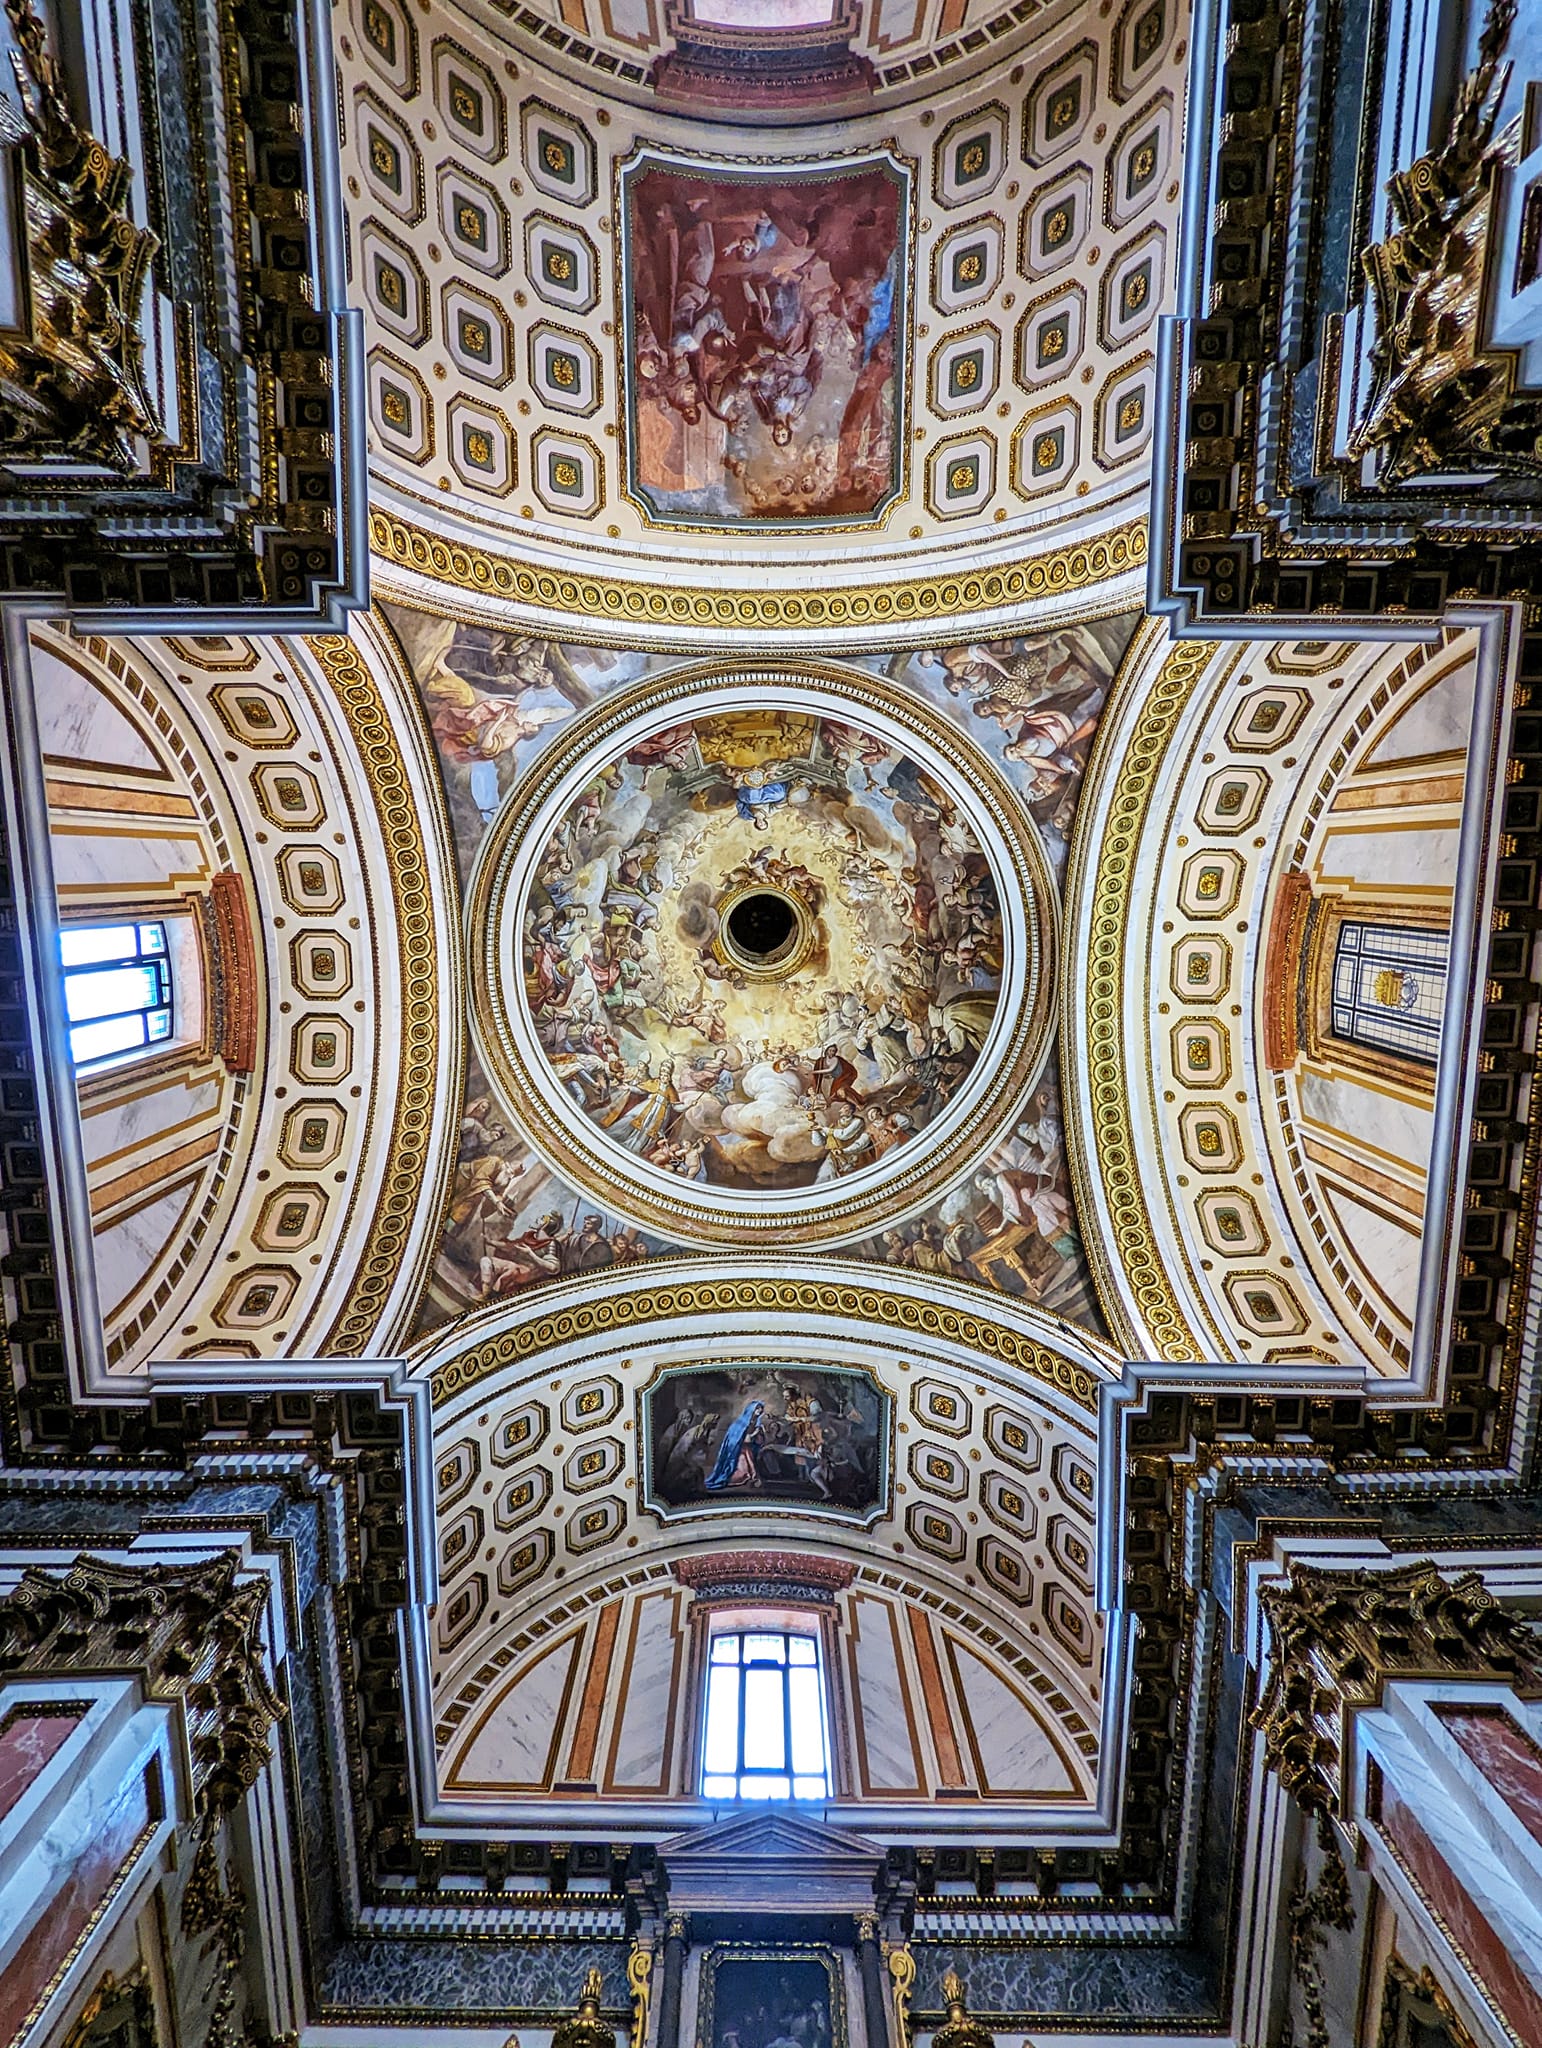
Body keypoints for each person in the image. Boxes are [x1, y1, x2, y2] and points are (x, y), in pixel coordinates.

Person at [705, 1399, 767, 1490]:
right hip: (737, 1449)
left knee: (750, 1463)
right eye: (757, 1408)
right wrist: (753, 1434)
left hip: (747, 1449)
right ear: (752, 1409)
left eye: (761, 1409)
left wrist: (759, 1433)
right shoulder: (741, 1422)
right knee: (742, 1463)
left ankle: (751, 1479)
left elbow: (756, 1440)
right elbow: (736, 1438)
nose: (759, 1410)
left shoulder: (757, 1423)